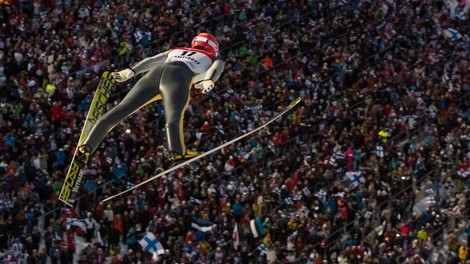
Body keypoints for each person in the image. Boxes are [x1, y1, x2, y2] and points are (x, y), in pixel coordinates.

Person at [77, 33, 225, 165]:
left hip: (154, 73)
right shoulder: (212, 58)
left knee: (122, 109)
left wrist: (131, 71)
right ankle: (177, 152)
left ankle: (88, 144)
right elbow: (217, 67)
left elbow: (152, 60)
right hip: (178, 76)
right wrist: (209, 80)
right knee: (173, 116)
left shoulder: (177, 50)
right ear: (213, 48)